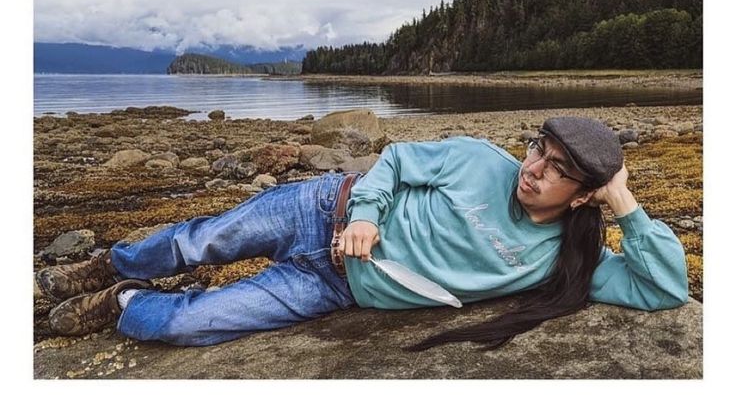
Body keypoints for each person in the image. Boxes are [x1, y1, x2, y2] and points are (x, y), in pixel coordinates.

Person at [36, 116, 689, 349]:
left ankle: (121, 299)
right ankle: (113, 261)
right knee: (194, 241)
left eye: (558, 170)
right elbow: (400, 158)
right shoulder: (482, 159)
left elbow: (664, 286)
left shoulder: (567, 263)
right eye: (538, 150)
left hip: (329, 286)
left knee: (180, 326)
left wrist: (626, 202)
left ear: (583, 195)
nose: (534, 169)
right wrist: (368, 214)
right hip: (322, 205)